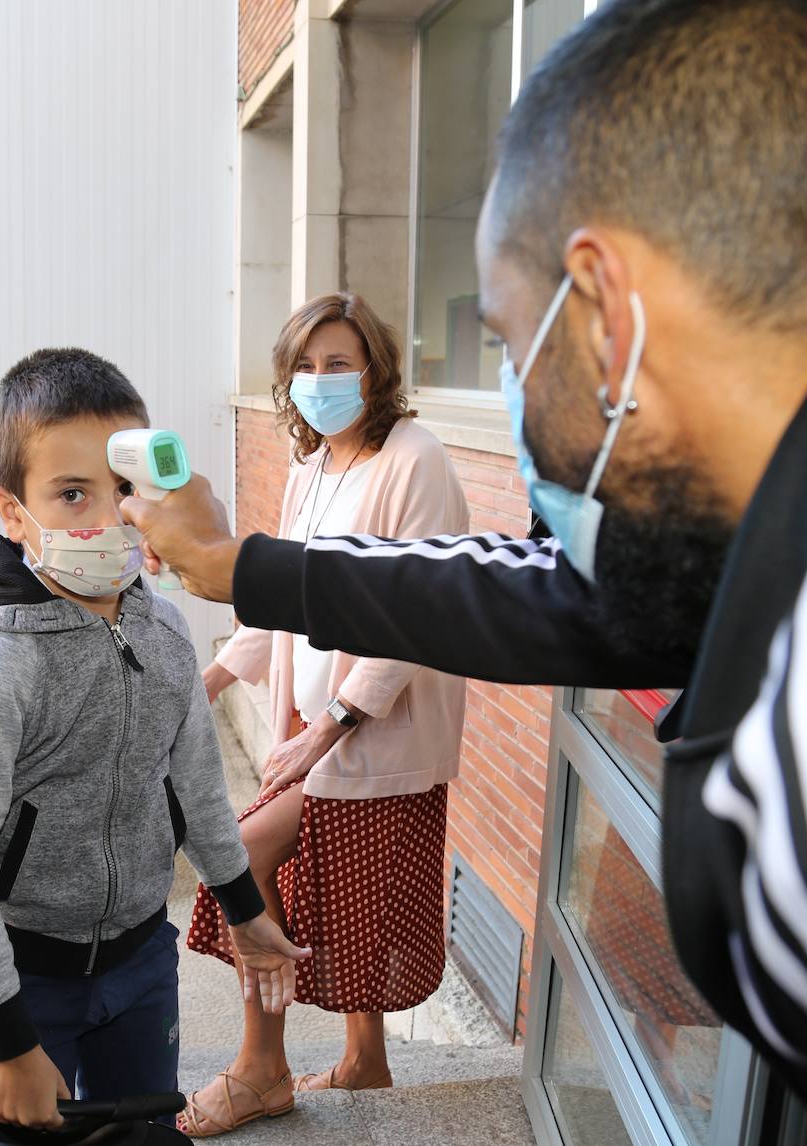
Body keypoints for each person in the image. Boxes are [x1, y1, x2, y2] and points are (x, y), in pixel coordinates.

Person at [122, 3, 807, 1142]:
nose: (519, 396)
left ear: (609, 313)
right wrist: (241, 568)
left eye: (515, 345)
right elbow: (556, 588)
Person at [0, 348, 310, 1134]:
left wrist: (242, 906)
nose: (103, 516)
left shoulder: (160, 623)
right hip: (24, 985)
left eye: (121, 488)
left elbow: (194, 776)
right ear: (12, 510)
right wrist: (11, 1043)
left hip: (141, 963)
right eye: (69, 493)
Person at [175, 293, 469, 1137]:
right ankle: (364, 1060)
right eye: (304, 366)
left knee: (243, 856)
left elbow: (424, 612)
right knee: (345, 893)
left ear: (375, 369)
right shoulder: (311, 469)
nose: (319, 380)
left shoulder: (416, 459)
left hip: (373, 733)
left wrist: (331, 725)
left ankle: (261, 1069)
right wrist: (211, 682)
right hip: (314, 731)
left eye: (338, 362)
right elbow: (279, 603)